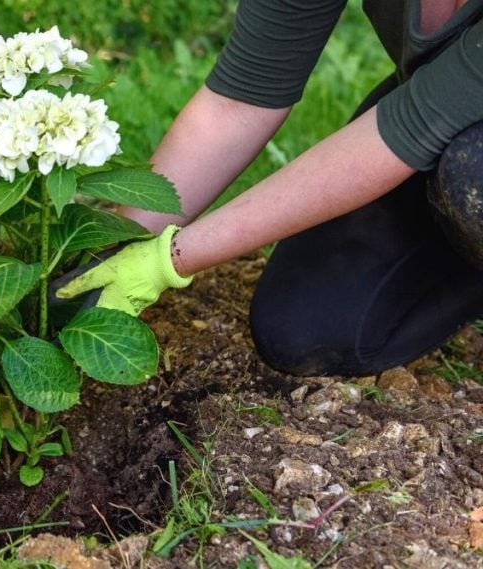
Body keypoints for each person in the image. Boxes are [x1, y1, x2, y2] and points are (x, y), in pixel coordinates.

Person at [55, 0, 483, 376]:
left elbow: (406, 132)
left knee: (472, 174)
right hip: (438, 126)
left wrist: (166, 260)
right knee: (303, 326)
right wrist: (112, 241)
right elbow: (240, 99)